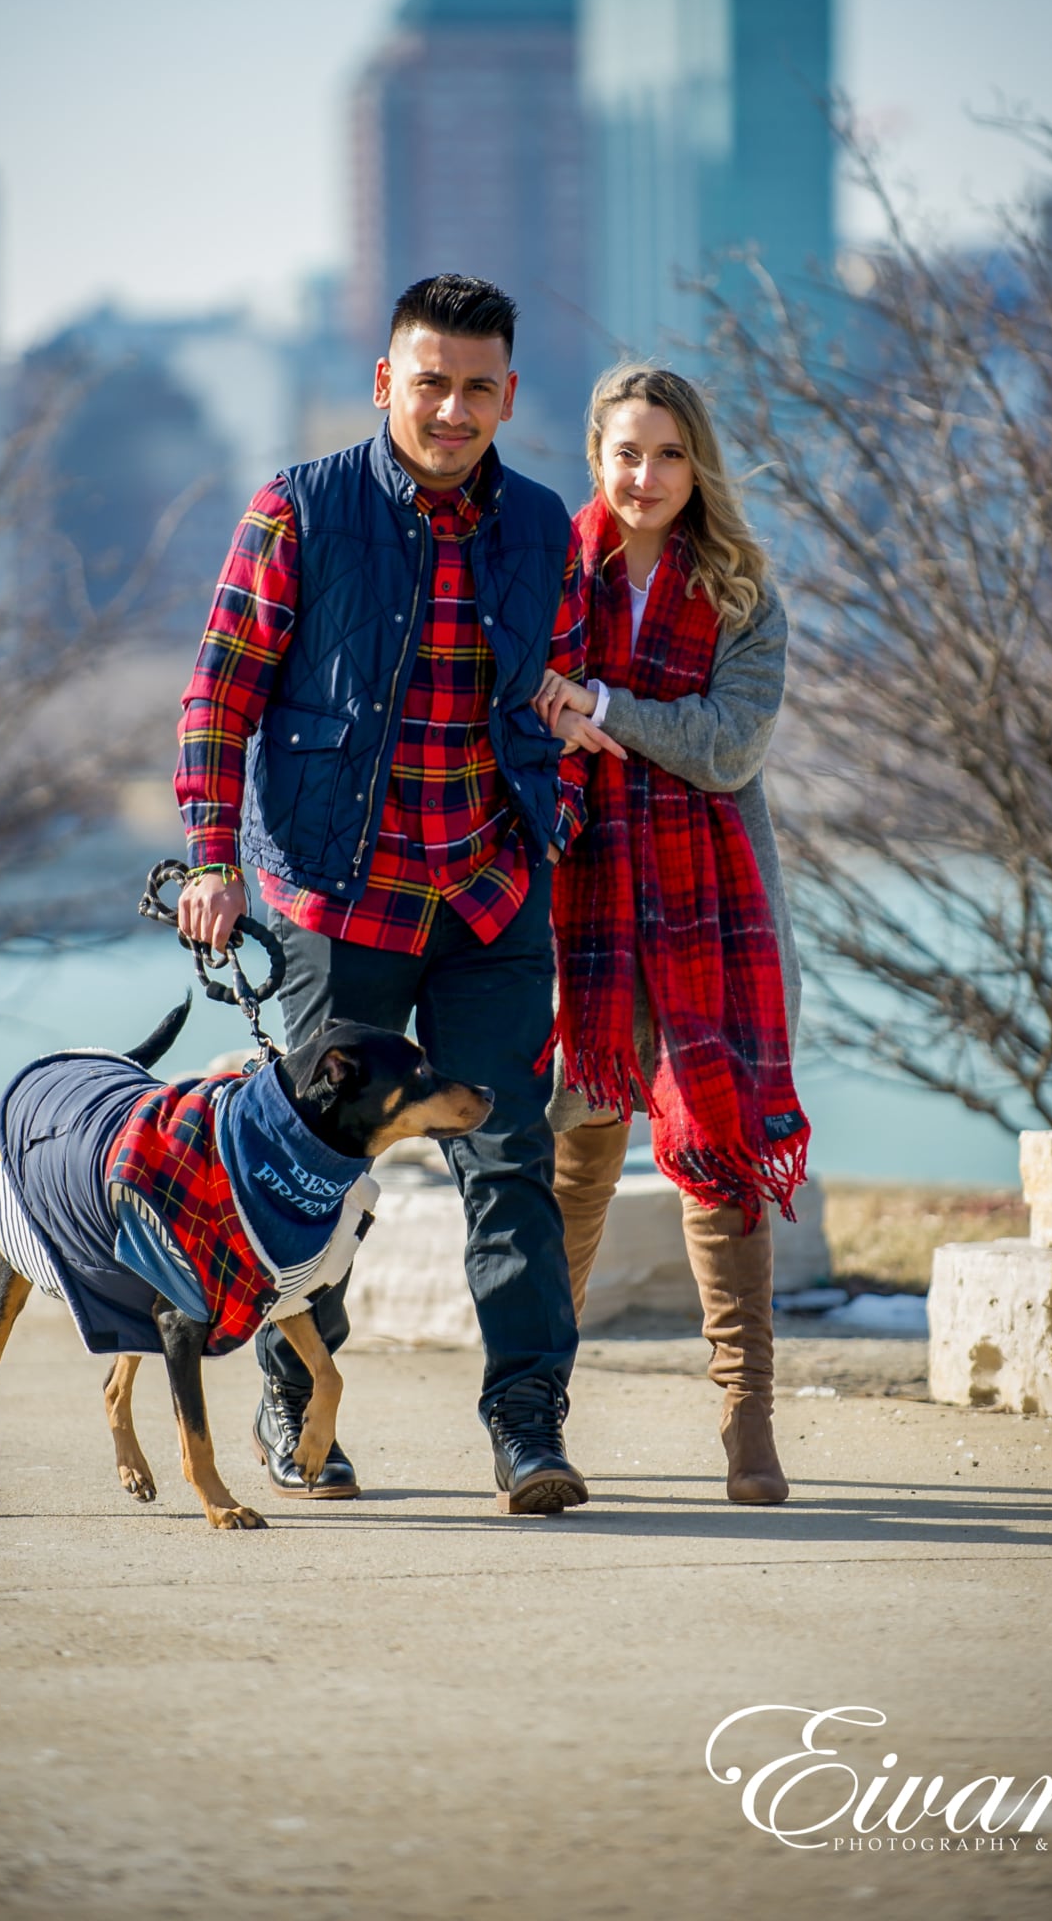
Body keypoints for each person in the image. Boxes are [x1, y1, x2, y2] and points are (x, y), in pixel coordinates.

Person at [174, 272, 622, 1516]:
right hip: (338, 904)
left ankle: (529, 1429)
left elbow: (566, 704)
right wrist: (213, 855)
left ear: (509, 396)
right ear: (386, 383)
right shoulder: (298, 510)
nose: (453, 407)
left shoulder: (543, 531)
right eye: (430, 381)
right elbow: (222, 693)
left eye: (479, 386)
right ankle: (295, 1397)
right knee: (317, 1182)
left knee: (509, 1157)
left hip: (487, 902)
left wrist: (557, 822)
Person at [535, 362, 808, 1505]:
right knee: (579, 1138)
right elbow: (517, 703)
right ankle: (536, 1406)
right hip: (580, 903)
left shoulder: (743, 593)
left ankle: (748, 1422)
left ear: (698, 464)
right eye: (626, 452)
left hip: (715, 910)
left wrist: (598, 709)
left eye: (669, 454)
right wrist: (600, 718)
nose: (646, 475)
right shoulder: (546, 574)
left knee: (721, 1146)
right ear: (597, 456)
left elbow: (726, 747)